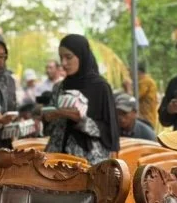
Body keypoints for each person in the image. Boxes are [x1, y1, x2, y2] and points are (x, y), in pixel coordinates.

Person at [42, 34, 119, 163]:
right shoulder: (59, 87)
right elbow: (49, 130)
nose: (64, 63)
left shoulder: (100, 87)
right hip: (56, 160)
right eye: (61, 58)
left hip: (88, 162)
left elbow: (109, 131)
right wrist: (48, 118)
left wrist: (81, 120)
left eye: (69, 57)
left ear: (82, 55)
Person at [137, 63, 159, 130]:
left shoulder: (145, 81)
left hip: (146, 118)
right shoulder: (144, 81)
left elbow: (135, 97)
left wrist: (128, 89)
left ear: (138, 72)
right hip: (145, 117)